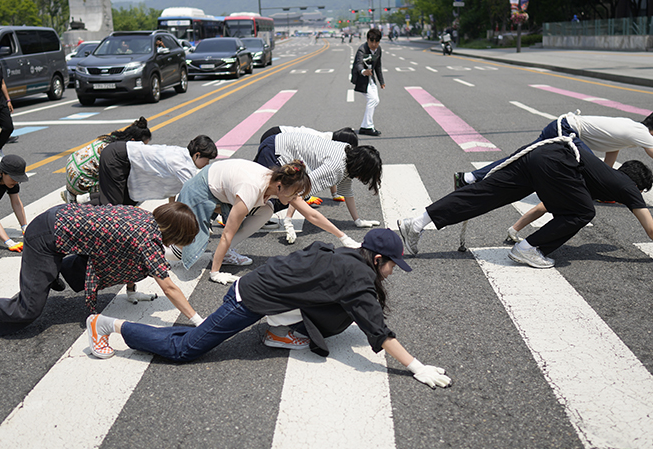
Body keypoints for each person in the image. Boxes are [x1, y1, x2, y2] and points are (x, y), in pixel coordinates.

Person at [83, 229, 452, 389]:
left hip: (265, 289)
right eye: (393, 265)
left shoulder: (350, 257)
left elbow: (311, 256)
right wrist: (416, 367)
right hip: (249, 298)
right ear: (377, 259)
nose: (393, 271)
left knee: (198, 336)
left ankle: (278, 332)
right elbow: (378, 331)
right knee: (185, 350)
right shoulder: (357, 278)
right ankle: (106, 325)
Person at [397, 134, 653, 268]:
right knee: (584, 211)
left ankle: (417, 221)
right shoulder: (626, 187)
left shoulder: (601, 176)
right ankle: (528, 250)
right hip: (556, 159)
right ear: (637, 187)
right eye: (639, 195)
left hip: (543, 156)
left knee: (486, 195)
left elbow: (547, 204)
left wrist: (516, 227)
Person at [0, 202, 202, 344]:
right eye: (183, 240)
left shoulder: (145, 218)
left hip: (61, 220)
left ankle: (54, 271)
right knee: (28, 310)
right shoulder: (146, 238)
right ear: (175, 233)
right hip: (45, 237)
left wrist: (132, 289)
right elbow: (168, 286)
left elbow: (132, 259)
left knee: (137, 264)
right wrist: (198, 322)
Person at [457, 110, 653, 201]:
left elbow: (611, 151)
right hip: (567, 130)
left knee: (522, 157)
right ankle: (473, 180)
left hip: (565, 127)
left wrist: (605, 179)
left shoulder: (631, 129)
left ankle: (470, 178)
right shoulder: (642, 134)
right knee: (525, 159)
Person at [177, 159, 361, 284]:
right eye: (293, 195)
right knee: (182, 251)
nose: (295, 199)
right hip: (202, 189)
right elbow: (227, 233)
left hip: (224, 192)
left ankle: (225, 254)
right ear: (279, 186)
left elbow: (311, 215)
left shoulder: (280, 183)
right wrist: (215, 273)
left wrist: (343, 238)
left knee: (266, 210)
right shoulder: (252, 188)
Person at [254, 130, 383, 244]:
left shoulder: (348, 154)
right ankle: (251, 215)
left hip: (277, 143)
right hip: (276, 150)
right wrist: (288, 221)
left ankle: (253, 213)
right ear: (361, 168)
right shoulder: (335, 168)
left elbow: (347, 192)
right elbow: (300, 191)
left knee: (271, 191)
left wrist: (357, 220)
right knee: (278, 192)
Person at [93, 135, 217, 206]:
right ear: (197, 155)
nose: (207, 163)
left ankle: (86, 202)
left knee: (127, 202)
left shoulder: (182, 154)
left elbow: (172, 189)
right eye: (207, 159)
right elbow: (196, 194)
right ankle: (83, 214)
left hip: (124, 160)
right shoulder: (183, 165)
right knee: (113, 206)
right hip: (118, 157)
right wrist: (217, 209)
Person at [258, 125, 359, 203]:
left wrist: (335, 194)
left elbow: (334, 171)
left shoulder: (333, 146)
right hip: (276, 139)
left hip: (281, 141)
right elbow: (315, 171)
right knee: (271, 181)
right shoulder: (325, 144)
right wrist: (306, 196)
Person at [62, 118, 152, 203]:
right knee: (116, 193)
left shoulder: (114, 139)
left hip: (72, 167)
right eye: (143, 145)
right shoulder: (120, 152)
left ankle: (73, 194)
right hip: (80, 178)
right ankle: (83, 199)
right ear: (133, 141)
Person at [351, 28, 385, 136]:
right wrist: (363, 71)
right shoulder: (362, 49)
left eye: (377, 42)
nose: (374, 44)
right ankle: (368, 127)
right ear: (367, 40)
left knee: (376, 100)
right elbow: (358, 63)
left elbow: (378, 66)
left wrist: (381, 81)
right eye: (372, 41)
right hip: (361, 78)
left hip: (371, 78)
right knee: (372, 99)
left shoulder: (378, 50)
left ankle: (365, 126)